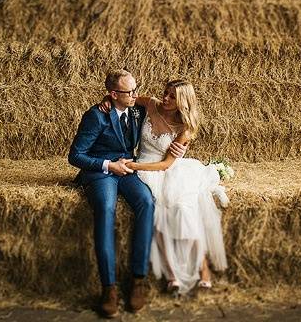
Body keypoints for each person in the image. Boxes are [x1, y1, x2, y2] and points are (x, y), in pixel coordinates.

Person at [67, 69, 187, 318]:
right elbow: (75, 155)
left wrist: (180, 148)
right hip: (102, 171)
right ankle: (108, 288)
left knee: (146, 201)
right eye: (130, 91)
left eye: (135, 89)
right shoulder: (95, 116)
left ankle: (138, 279)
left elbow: (170, 117)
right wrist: (108, 166)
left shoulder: (135, 110)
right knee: (107, 209)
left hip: (128, 167)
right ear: (113, 94)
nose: (135, 94)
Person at [99, 79, 228, 295]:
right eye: (165, 93)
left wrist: (132, 165)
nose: (165, 98)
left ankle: (203, 269)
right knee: (158, 216)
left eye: (172, 97)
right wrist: (106, 99)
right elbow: (124, 98)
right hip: (143, 167)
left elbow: (167, 163)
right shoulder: (151, 104)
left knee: (184, 212)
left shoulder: (185, 129)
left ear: (183, 102)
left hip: (162, 169)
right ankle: (172, 276)